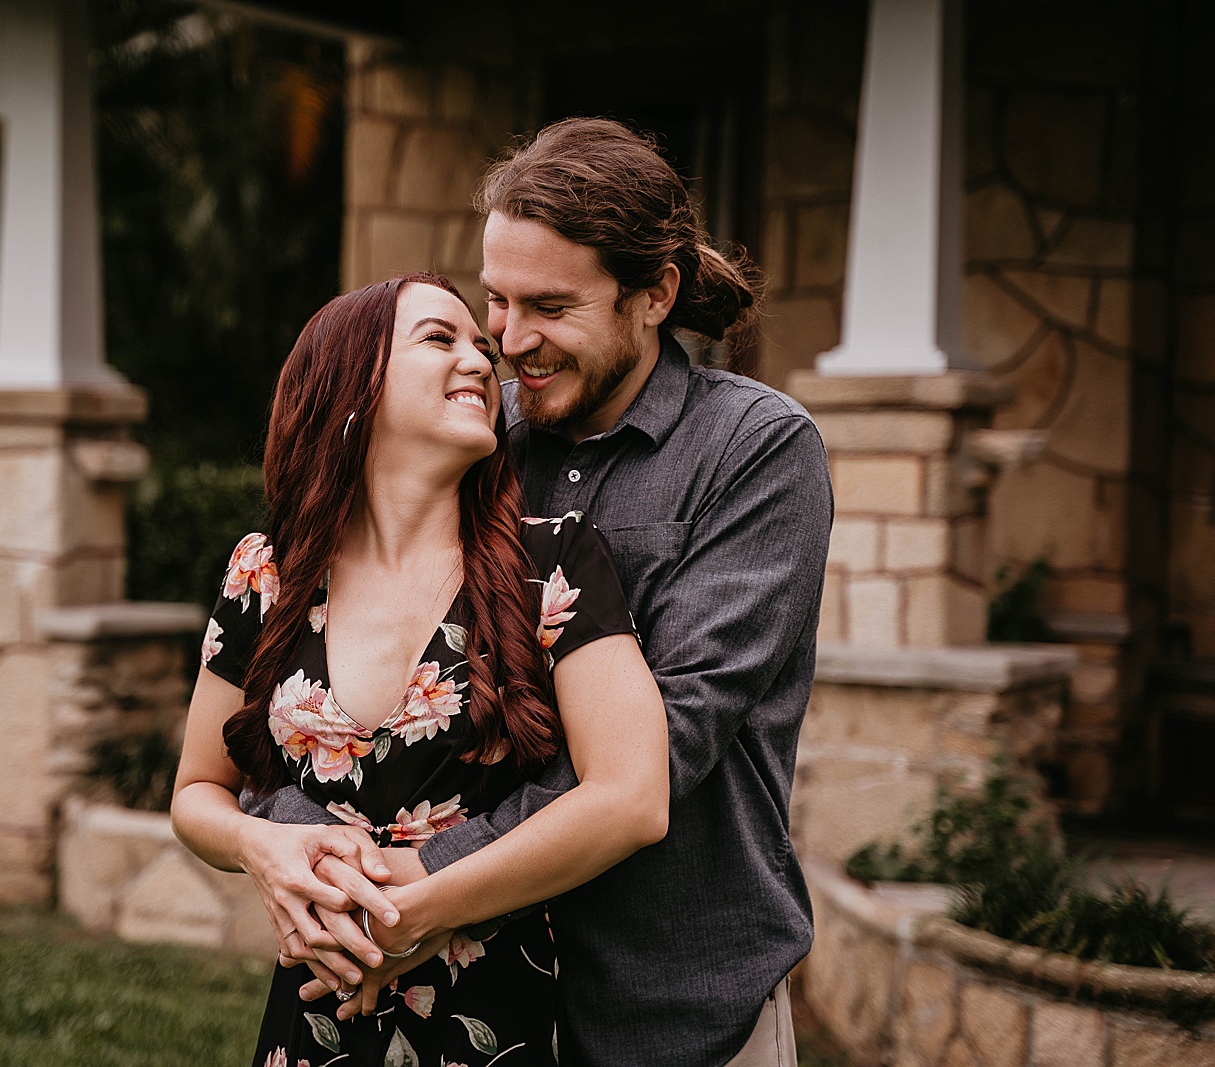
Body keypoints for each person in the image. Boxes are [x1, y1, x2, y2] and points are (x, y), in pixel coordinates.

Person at [246, 118, 834, 1067]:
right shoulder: (474, 435)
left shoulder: (757, 452)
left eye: (550, 307)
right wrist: (309, 852)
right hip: (465, 1004)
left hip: (669, 1001)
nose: (510, 342)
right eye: (496, 302)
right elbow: (339, 654)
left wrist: (431, 883)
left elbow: (673, 734)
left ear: (655, 295)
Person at [170, 271, 671, 1067]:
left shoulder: (553, 562)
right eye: (440, 339)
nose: (481, 359)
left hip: (490, 1016)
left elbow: (633, 799)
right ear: (350, 386)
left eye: (480, 344)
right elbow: (198, 790)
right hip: (314, 1012)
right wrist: (260, 848)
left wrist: (422, 907)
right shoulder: (264, 575)